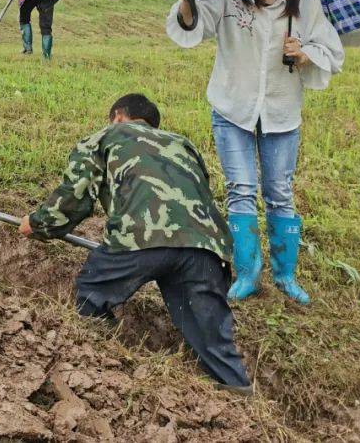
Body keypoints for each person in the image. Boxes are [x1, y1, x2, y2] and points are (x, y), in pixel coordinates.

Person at [20, 94, 252, 393]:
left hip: (141, 235)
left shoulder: (106, 137)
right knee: (213, 339)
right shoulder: (182, 144)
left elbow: (75, 195)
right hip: (205, 247)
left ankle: (101, 370)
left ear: (118, 116)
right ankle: (238, 393)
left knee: (91, 295)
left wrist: (38, 224)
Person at [168, 0, 343, 305]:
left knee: (279, 193)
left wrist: (304, 53)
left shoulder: (304, 3)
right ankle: (248, 273)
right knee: (241, 189)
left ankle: (285, 275)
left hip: (281, 113)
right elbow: (194, 24)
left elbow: (332, 51)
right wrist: (186, 0)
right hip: (233, 110)